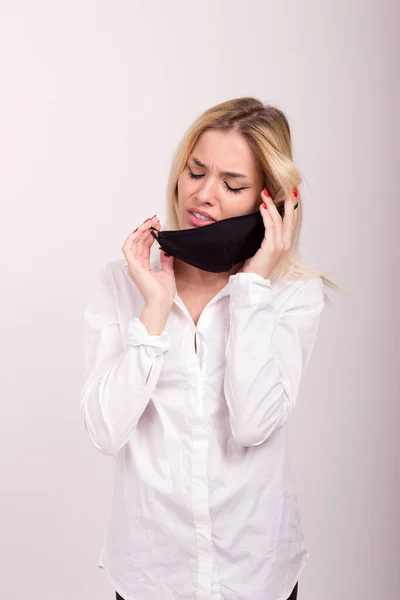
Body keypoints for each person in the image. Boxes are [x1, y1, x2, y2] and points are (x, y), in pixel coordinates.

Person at [80, 97, 338, 600]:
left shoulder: (291, 294)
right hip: (151, 574)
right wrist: (154, 310)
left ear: (270, 201)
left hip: (255, 573)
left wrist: (252, 289)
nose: (203, 194)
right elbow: (104, 431)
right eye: (195, 172)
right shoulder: (121, 283)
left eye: (232, 184)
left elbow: (253, 424)